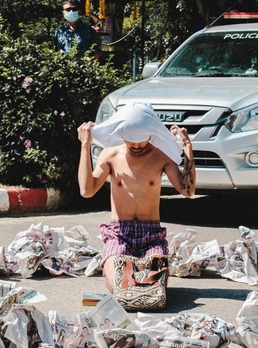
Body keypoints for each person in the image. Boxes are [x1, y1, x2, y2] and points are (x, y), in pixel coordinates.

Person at [78, 102, 195, 294]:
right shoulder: (110, 155)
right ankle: (114, 266)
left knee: (154, 289)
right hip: (119, 233)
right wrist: (85, 145)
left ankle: (138, 274)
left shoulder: (161, 156)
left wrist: (188, 146)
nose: (136, 145)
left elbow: (187, 190)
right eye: (130, 140)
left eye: (142, 140)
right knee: (122, 285)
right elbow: (86, 191)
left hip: (151, 236)